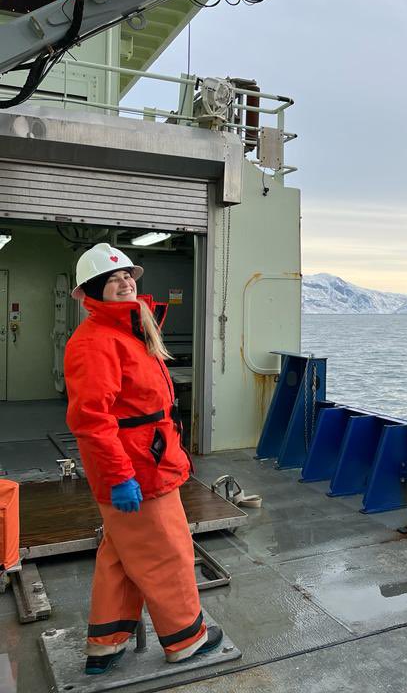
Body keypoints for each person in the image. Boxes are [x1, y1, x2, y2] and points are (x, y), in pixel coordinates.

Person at [64, 243, 222, 675]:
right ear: (92, 291)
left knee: (120, 555)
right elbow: (92, 420)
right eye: (113, 279)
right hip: (137, 471)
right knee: (167, 553)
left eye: (128, 275)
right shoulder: (95, 342)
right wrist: (120, 477)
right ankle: (186, 640)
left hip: (146, 462)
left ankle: (106, 643)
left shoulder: (128, 331)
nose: (125, 282)